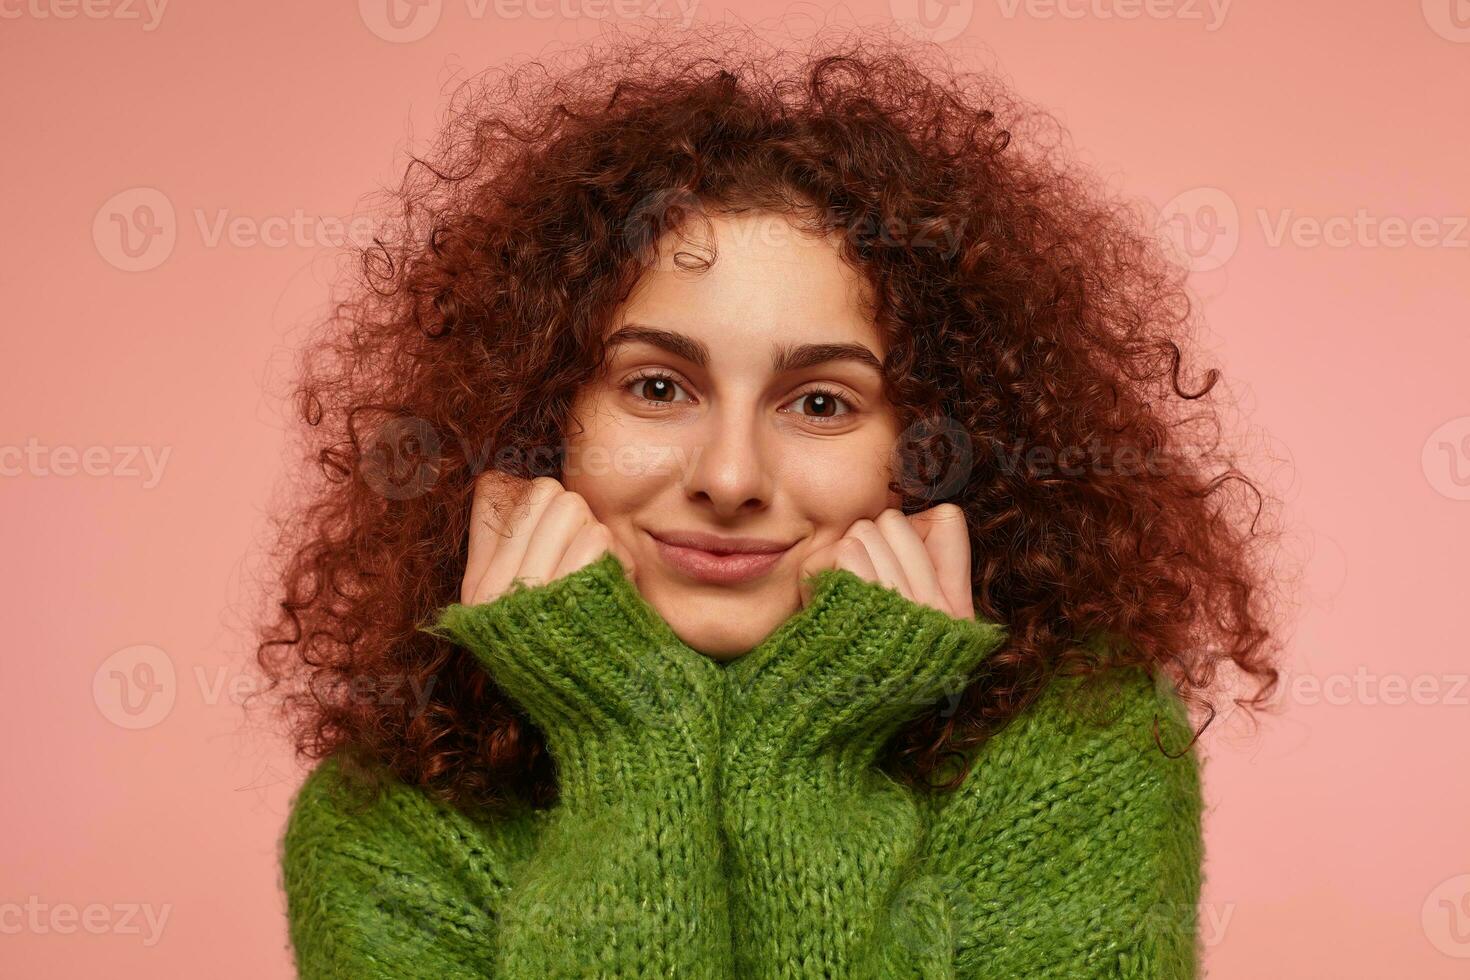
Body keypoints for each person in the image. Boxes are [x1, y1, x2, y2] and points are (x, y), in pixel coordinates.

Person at [257, 22, 1280, 978]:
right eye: (657, 387)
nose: (731, 476)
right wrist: (628, 737)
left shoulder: (1080, 745)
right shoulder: (387, 817)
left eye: (821, 401)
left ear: (927, 448)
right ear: (542, 417)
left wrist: (810, 754)